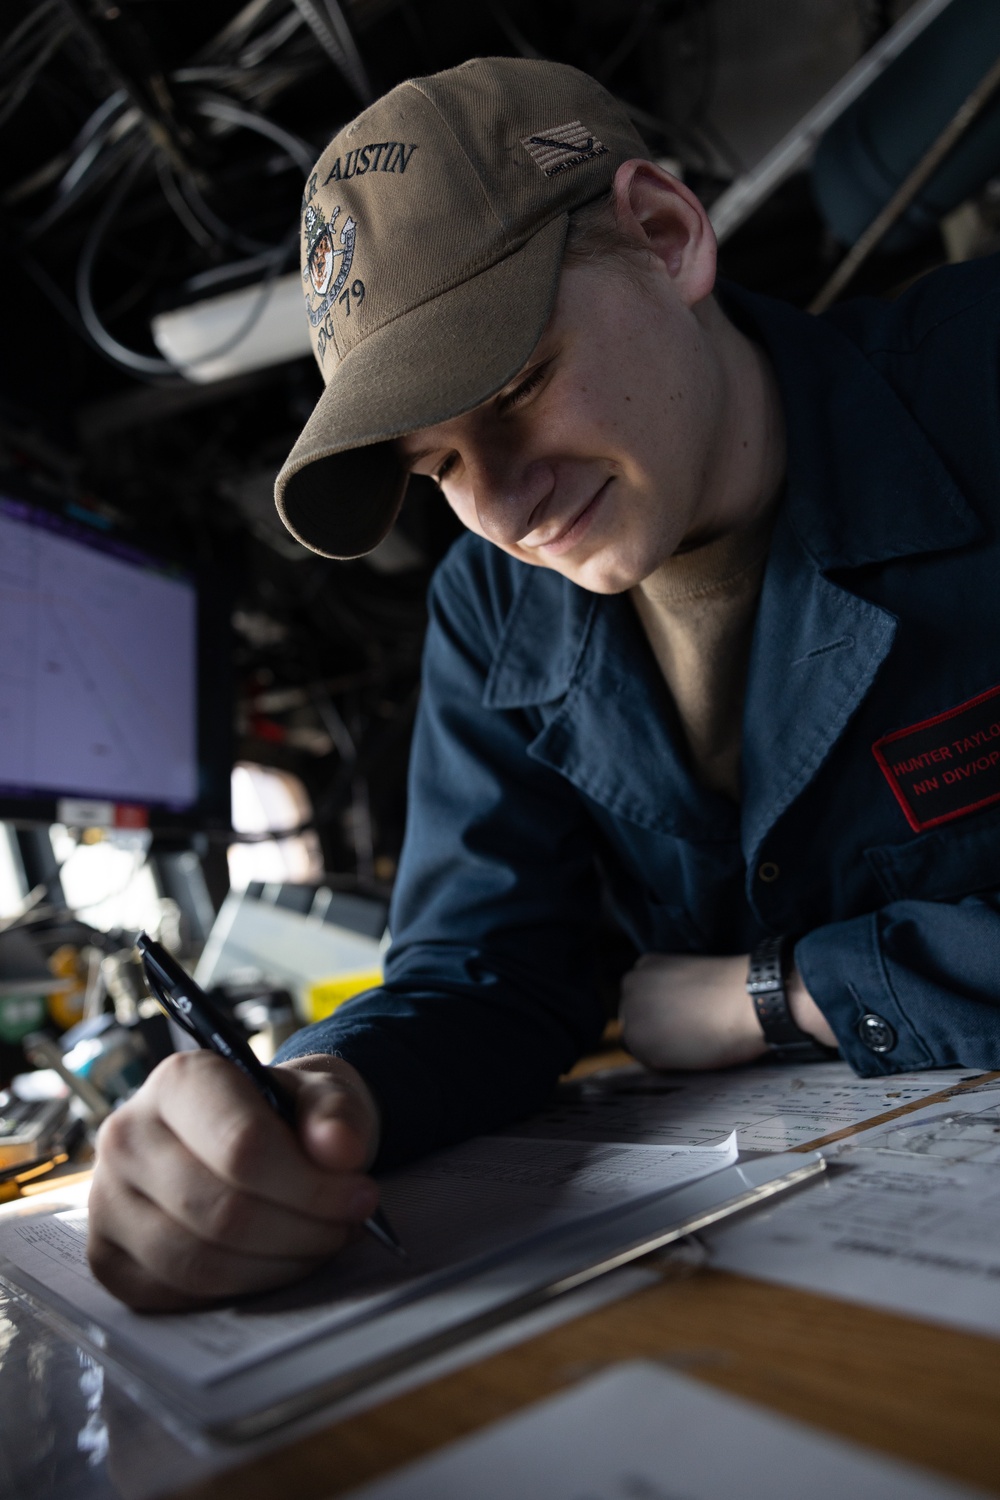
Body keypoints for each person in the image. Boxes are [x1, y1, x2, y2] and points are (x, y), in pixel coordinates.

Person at [88, 57, 1000, 1310]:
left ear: (665, 236)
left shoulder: (980, 392)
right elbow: (483, 971)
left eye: (513, 385)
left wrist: (776, 995)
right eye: (439, 461)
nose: (506, 508)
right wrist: (323, 1097)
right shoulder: (485, 608)